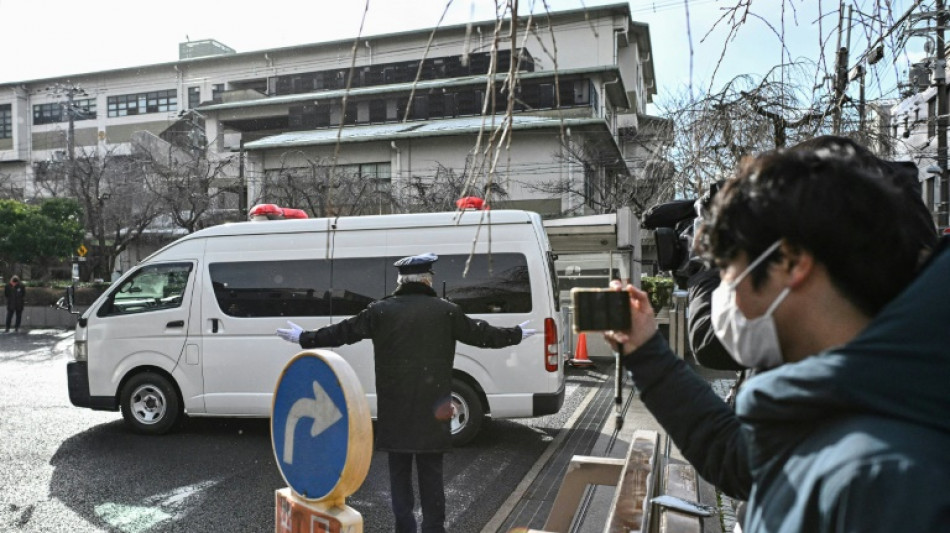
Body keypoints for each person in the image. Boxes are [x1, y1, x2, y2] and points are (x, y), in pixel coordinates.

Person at [607, 147, 950, 531]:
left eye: (728, 270)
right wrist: (646, 350)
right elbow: (737, 456)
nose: (725, 294)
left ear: (790, 261)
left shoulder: (881, 481)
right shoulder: (834, 403)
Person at [275, 252, 536, 533]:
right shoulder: (445, 311)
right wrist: (515, 334)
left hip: (395, 410)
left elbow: (343, 333)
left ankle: (405, 528)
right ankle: (434, 529)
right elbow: (483, 335)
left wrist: (305, 337)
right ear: (426, 279)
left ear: (402, 281)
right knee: (431, 477)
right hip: (433, 410)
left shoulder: (381, 311)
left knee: (399, 477)